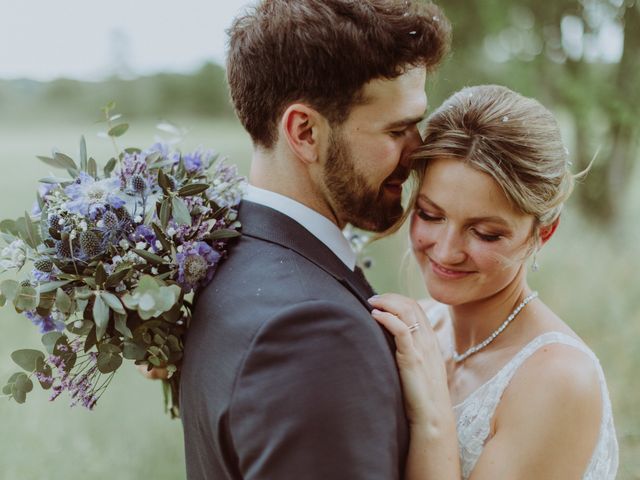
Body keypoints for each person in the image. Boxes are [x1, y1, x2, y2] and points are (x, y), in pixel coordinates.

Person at [179, 1, 451, 479]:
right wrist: (435, 427)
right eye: (397, 129)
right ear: (305, 131)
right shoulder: (314, 332)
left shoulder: (219, 264)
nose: (418, 150)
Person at [370, 85, 619, 479]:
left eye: (485, 233)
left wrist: (432, 415)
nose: (447, 251)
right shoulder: (423, 326)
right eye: (431, 215)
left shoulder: (559, 380)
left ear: (543, 234)